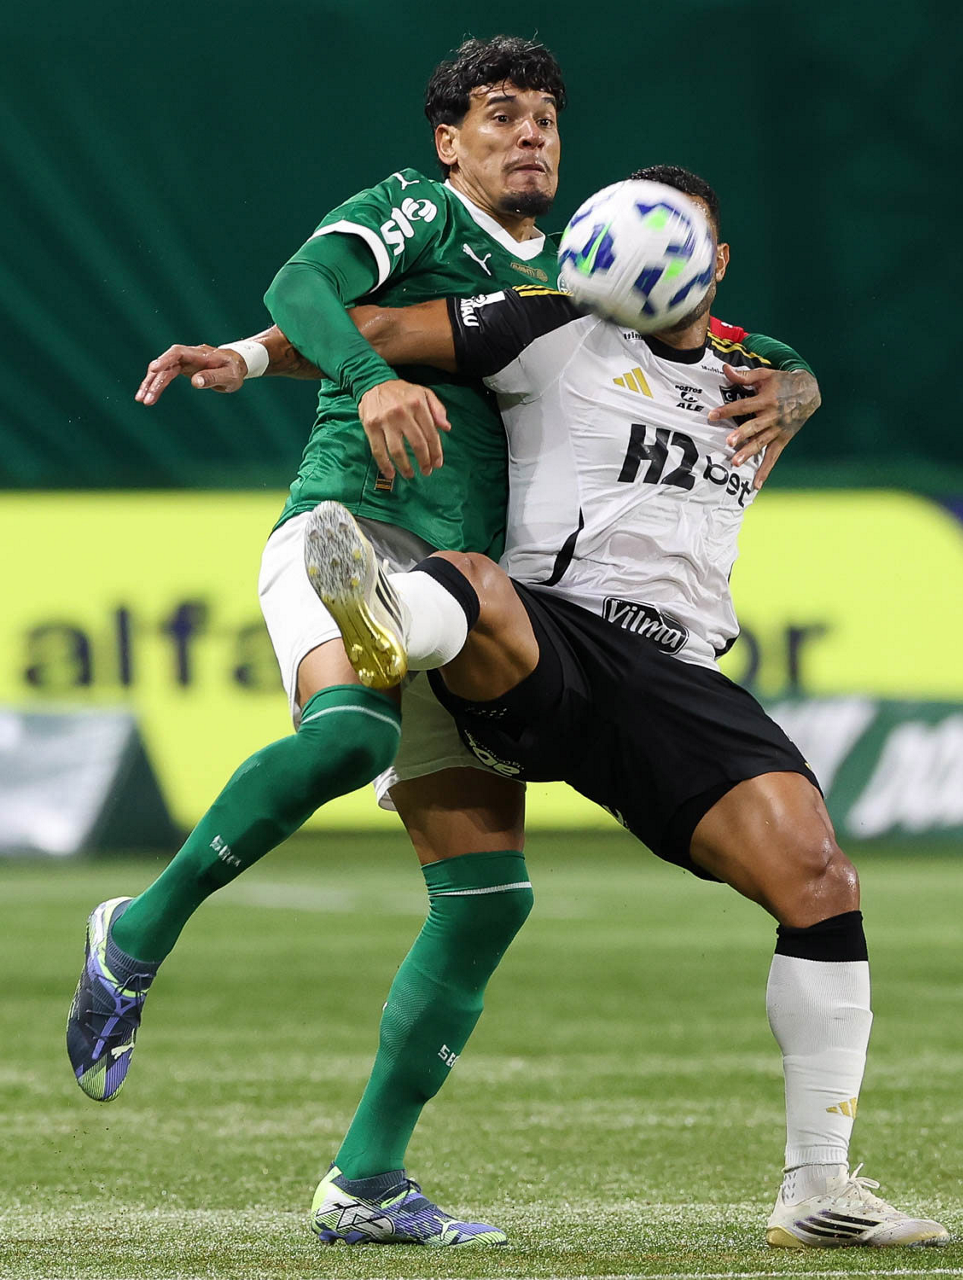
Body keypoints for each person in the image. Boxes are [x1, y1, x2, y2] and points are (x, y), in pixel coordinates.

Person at [67, 33, 817, 1242]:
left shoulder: (579, 278)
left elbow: (723, 342)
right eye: (501, 115)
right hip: (351, 527)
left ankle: (366, 1183)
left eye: (546, 120)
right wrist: (331, 368)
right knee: (344, 736)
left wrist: (798, 379)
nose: (530, 136)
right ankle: (136, 932)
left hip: (469, 601)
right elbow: (310, 289)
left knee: (484, 900)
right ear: (449, 139)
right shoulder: (417, 207)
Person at [300, 165, 950, 1250]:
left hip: (678, 678)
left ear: (717, 261)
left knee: (821, 881)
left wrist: (802, 384)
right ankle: (391, 621)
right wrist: (261, 356)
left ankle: (817, 1192)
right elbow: (371, 327)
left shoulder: (755, 376)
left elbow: (785, 366)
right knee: (479, 581)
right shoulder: (546, 324)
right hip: (555, 634)